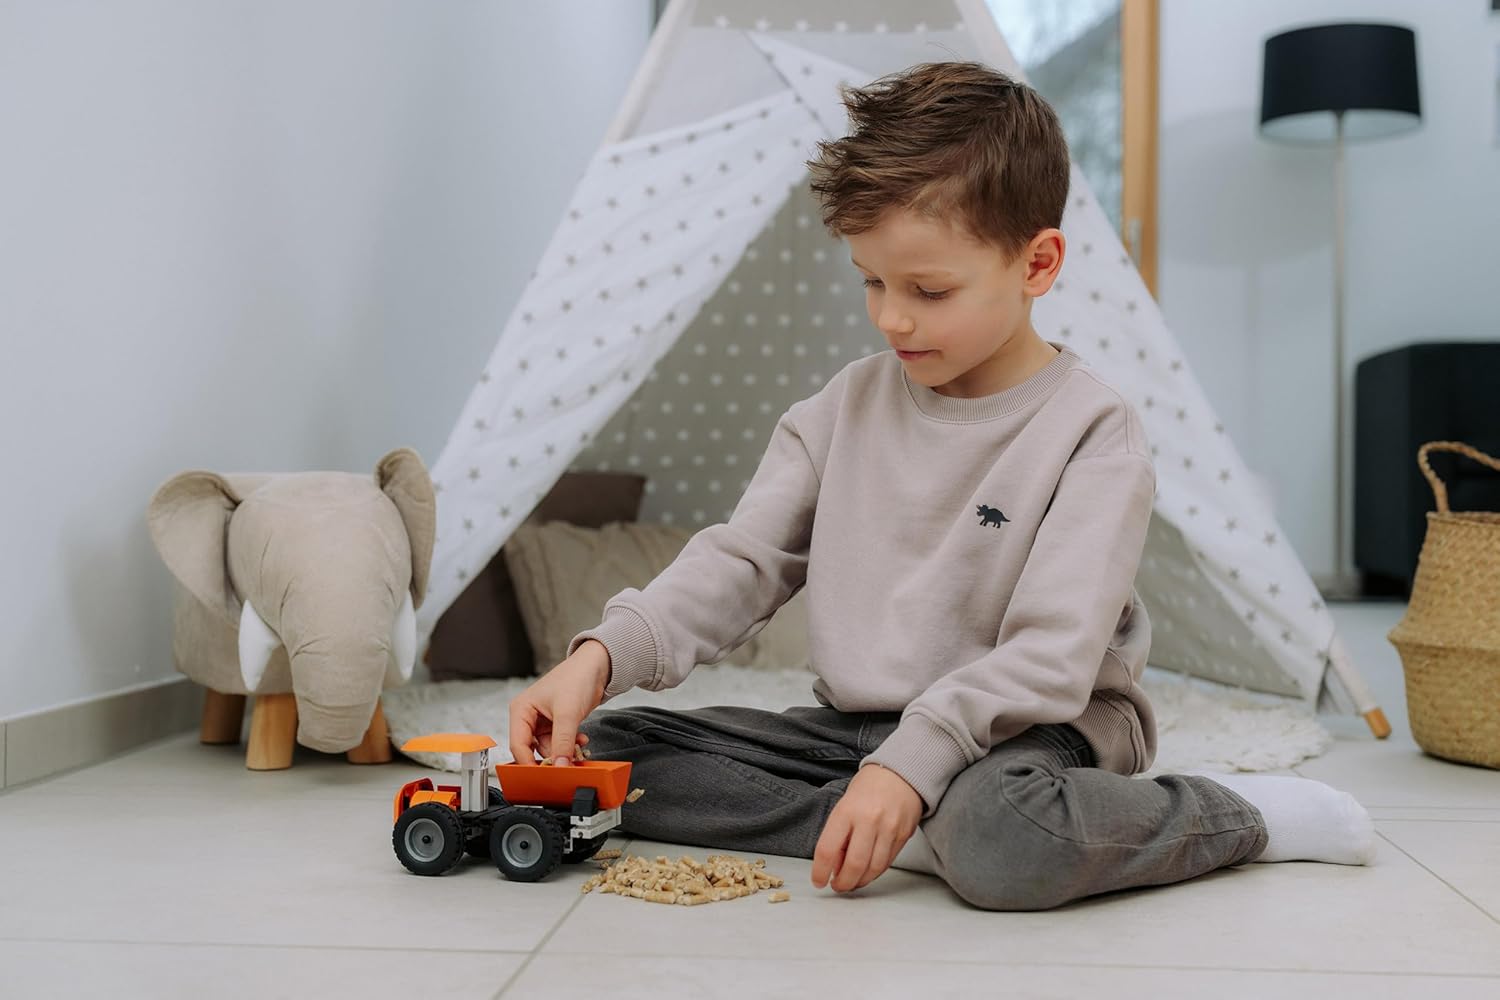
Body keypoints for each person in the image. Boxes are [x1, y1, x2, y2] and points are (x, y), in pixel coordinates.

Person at [507, 62, 1375, 910]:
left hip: (1038, 729)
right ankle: (917, 830)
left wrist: (916, 760)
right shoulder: (840, 409)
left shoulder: (1093, 432)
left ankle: (1234, 814)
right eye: (872, 281)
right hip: (862, 729)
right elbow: (742, 561)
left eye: (928, 289)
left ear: (1037, 265)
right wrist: (600, 659)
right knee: (614, 753)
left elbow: (1051, 655)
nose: (891, 316)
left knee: (1006, 831)